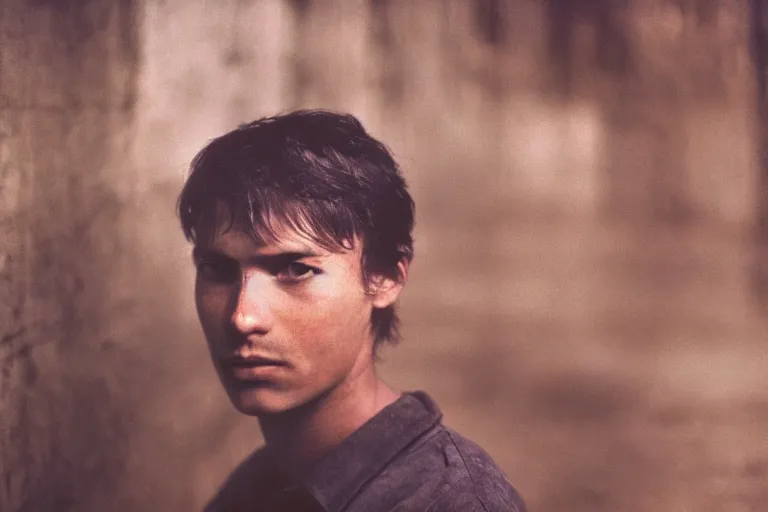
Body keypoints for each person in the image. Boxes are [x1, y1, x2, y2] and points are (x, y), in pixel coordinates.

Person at [178, 110, 526, 511]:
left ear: (384, 279)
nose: (243, 317)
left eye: (296, 270)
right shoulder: (256, 488)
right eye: (216, 270)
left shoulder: (451, 502)